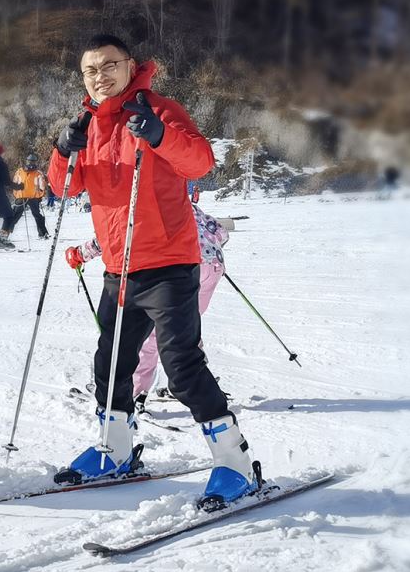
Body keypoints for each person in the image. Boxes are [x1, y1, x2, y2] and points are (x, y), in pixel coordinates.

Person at [47, 33, 260, 511]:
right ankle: (115, 450)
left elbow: (200, 162)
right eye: (90, 70)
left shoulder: (159, 109)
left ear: (129, 65)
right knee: (111, 365)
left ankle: (235, 463)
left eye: (109, 65)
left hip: (169, 263)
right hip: (120, 268)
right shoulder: (87, 124)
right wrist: (62, 150)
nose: (100, 76)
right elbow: (63, 188)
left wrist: (160, 135)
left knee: (181, 367)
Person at [66, 201, 229, 409]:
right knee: (184, 328)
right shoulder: (181, 201)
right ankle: (197, 385)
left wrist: (79, 254)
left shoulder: (139, 204)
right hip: (212, 267)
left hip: (180, 267)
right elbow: (221, 232)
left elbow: (111, 237)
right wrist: (208, 249)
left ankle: (134, 391)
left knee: (151, 334)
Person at [4, 152, 50, 242]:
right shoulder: (34, 173)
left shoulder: (23, 172)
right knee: (35, 215)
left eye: (32, 161)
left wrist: (16, 195)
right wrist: (40, 195)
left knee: (17, 215)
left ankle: (5, 234)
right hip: (29, 197)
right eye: (31, 161)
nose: (31, 163)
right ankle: (43, 233)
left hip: (26, 197)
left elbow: (15, 184)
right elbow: (42, 187)